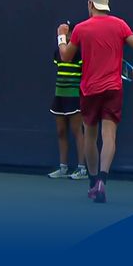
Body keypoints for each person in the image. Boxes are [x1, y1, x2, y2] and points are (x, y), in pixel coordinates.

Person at [57, 0, 133, 203]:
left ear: (90, 4)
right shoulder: (119, 24)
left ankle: (93, 182)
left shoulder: (80, 28)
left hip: (90, 91)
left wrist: (61, 35)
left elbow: (65, 57)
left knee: (90, 136)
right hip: (113, 89)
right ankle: (102, 182)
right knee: (109, 137)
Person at [48, 23, 87, 180]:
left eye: (69, 32)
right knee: (61, 132)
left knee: (77, 131)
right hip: (60, 96)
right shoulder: (58, 52)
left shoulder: (79, 52)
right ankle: (63, 167)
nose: (67, 35)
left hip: (74, 97)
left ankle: (82, 169)